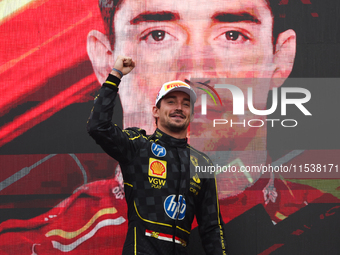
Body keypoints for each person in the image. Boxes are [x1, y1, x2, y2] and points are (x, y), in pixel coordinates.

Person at [87, 56, 227, 254]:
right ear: (156, 111)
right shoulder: (139, 146)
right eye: (171, 102)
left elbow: (211, 227)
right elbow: (98, 127)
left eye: (186, 104)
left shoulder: (202, 162)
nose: (179, 107)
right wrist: (115, 76)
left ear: (192, 115)